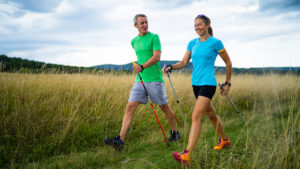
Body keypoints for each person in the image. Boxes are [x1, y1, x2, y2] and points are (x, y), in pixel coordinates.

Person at [104, 14, 181, 151]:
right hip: (140, 79)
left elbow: (157, 57)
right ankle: (120, 141)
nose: (145, 25)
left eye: (146, 22)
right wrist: (139, 67)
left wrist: (142, 66)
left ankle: (175, 132)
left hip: (155, 79)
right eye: (142, 23)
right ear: (136, 26)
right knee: (130, 106)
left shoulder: (154, 37)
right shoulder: (133, 41)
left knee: (164, 107)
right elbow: (141, 57)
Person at [164, 14, 232, 166]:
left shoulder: (216, 42)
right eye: (195, 25)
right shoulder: (192, 43)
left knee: (196, 116)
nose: (197, 28)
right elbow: (183, 62)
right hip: (195, 84)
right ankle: (225, 140)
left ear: (207, 25)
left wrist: (227, 83)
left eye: (200, 24)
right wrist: (171, 66)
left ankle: (186, 154)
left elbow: (228, 62)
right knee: (211, 114)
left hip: (208, 83)